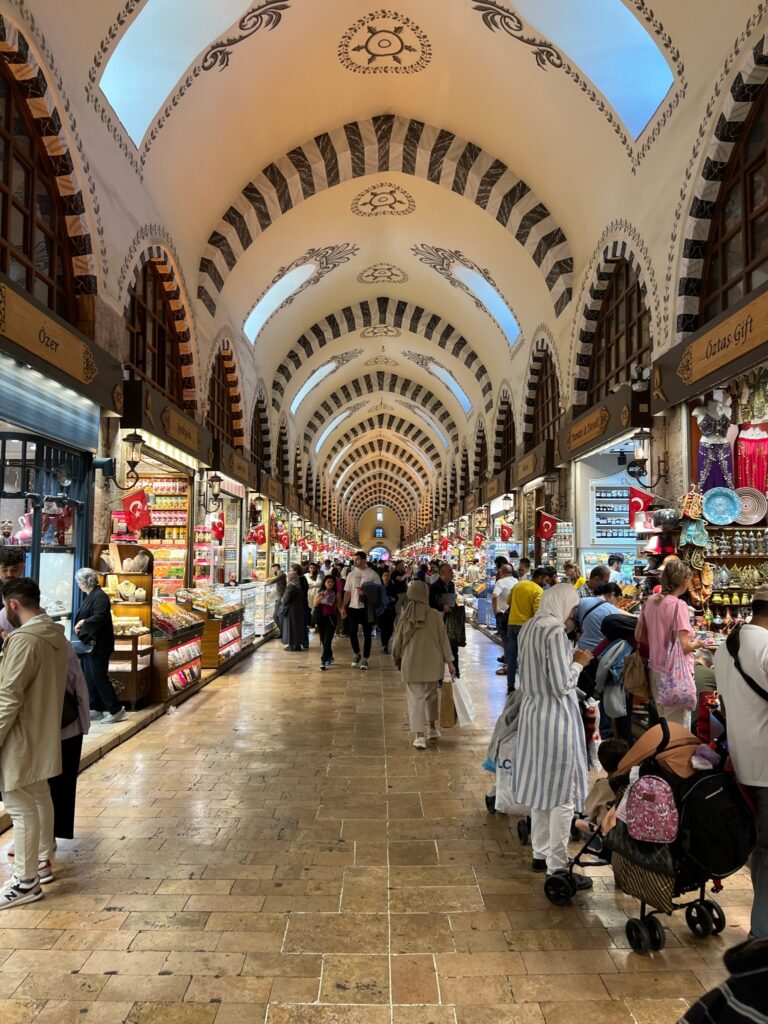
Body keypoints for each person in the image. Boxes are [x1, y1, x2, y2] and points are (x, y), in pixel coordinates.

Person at [509, 582, 594, 886]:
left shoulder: (531, 626)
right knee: (561, 793)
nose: (572, 616)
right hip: (555, 720)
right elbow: (561, 683)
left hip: (534, 716)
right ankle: (557, 865)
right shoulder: (555, 631)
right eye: (572, 609)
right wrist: (578, 663)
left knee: (541, 786)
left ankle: (540, 852)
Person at [0, 578, 67, 908]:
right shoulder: (53, 633)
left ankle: (25, 882)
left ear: (13, 604)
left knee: (19, 806)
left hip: (20, 735)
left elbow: (8, 696)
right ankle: (42, 862)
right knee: (39, 796)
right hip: (42, 731)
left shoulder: (24, 640)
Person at [714, 586, 768, 938]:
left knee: (761, 849)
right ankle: (762, 931)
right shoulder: (765, 647)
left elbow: (722, 705)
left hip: (742, 760)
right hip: (766, 764)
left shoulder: (725, 648)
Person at [635, 560, 705, 728]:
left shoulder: (650, 602)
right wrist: (697, 643)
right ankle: (675, 755)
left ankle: (665, 753)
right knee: (678, 727)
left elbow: (639, 636)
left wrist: (658, 642)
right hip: (676, 673)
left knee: (665, 723)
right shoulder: (678, 606)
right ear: (684, 581)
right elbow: (684, 646)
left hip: (655, 670)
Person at [392, 580, 456, 750]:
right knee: (431, 695)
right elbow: (443, 639)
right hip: (433, 663)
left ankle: (419, 736)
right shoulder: (435, 614)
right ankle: (432, 729)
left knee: (415, 698)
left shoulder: (404, 616)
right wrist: (449, 661)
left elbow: (398, 641)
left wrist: (395, 657)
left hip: (412, 663)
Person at [74, 568, 125, 724]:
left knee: (98, 676)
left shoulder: (99, 596)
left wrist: (84, 622)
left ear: (84, 582)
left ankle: (116, 709)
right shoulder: (93, 595)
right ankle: (96, 707)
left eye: (78, 582)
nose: (78, 585)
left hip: (99, 645)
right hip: (93, 645)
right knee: (90, 677)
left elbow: (100, 616)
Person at [574, 737, 629, 836]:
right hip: (628, 830)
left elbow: (589, 810)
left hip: (606, 831)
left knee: (580, 821)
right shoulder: (633, 781)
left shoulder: (602, 785)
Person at [505, 566, 547, 693]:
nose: (545, 582)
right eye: (544, 579)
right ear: (539, 577)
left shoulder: (519, 585)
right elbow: (537, 612)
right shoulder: (538, 591)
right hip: (526, 627)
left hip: (511, 624)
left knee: (512, 657)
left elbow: (508, 601)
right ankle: (525, 686)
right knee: (525, 657)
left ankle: (510, 686)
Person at [341, 551, 381, 670]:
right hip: (353, 608)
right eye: (355, 559)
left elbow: (379, 592)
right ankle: (357, 653)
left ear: (364, 560)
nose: (355, 561)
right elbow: (347, 592)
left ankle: (366, 658)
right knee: (352, 633)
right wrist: (343, 606)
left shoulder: (372, 574)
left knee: (367, 634)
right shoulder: (351, 575)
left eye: (357, 559)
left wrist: (366, 593)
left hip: (367, 609)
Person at [430, 563, 461, 677]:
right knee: (439, 648)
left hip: (451, 620)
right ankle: (438, 676)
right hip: (439, 619)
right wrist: (442, 607)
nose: (452, 573)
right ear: (442, 573)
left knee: (453, 646)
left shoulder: (452, 585)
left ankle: (456, 673)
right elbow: (431, 603)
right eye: (450, 571)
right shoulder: (434, 587)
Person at [574, 582, 623, 651]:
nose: (616, 603)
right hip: (600, 650)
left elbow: (575, 620)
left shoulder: (582, 601)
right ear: (612, 594)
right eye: (617, 599)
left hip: (582, 647)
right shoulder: (613, 611)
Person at [492, 565, 516, 676]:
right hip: (513, 614)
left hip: (502, 615)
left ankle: (508, 666)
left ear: (502, 572)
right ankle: (512, 664)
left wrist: (495, 611)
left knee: (506, 642)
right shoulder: (516, 581)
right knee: (512, 641)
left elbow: (494, 596)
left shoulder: (500, 582)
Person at [314, 574, 341, 670]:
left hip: (331, 619)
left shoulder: (336, 593)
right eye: (328, 582)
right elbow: (315, 603)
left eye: (332, 582)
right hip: (321, 619)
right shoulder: (320, 592)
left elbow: (339, 606)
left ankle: (323, 661)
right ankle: (330, 656)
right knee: (324, 640)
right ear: (324, 583)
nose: (330, 583)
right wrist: (322, 597)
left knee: (327, 640)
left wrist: (342, 612)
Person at [280, 570, 306, 652]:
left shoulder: (291, 586)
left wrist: (282, 599)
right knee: (297, 627)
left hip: (291, 610)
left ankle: (292, 645)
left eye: (287, 577)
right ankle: (297, 645)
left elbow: (285, 600)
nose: (286, 579)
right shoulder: (298, 586)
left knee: (291, 627)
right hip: (298, 609)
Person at [377, 569, 398, 654]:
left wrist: (393, 599)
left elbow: (396, 598)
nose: (386, 577)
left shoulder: (393, 587)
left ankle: (386, 641)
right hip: (382, 611)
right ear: (382, 577)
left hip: (390, 610)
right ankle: (385, 645)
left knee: (389, 629)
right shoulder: (379, 588)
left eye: (388, 575)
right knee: (383, 628)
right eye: (385, 575)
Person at [292, 564, 310, 650]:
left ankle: (298, 643)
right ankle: (305, 642)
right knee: (304, 624)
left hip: (299, 605)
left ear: (295, 571)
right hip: (304, 604)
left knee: (299, 624)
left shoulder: (297, 580)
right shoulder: (304, 579)